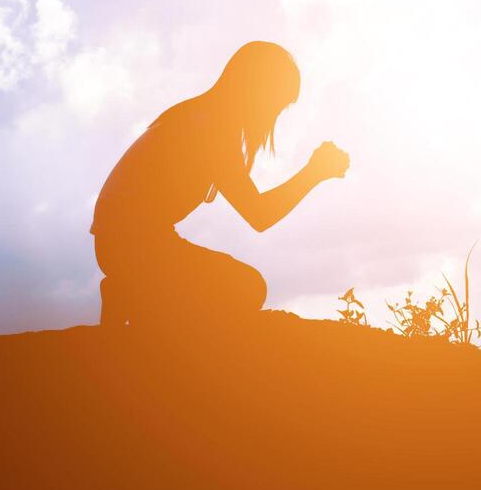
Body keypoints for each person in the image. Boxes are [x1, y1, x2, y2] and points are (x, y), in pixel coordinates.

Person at [90, 41, 349, 328]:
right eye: (276, 104)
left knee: (228, 288)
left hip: (123, 244)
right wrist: (314, 173)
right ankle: (132, 295)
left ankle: (134, 296)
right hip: (134, 247)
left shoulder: (199, 116)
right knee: (246, 288)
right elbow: (259, 215)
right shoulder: (211, 128)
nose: (274, 115)